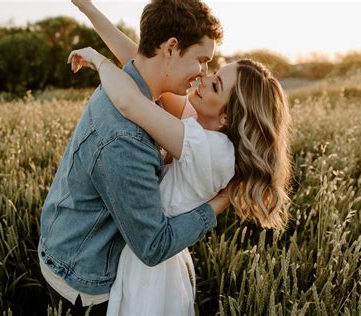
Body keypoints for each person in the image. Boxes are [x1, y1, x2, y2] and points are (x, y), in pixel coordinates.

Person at [68, 2, 293, 315]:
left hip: (151, 265)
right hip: (156, 252)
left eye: (214, 83)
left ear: (227, 116)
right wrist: (89, 10)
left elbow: (130, 103)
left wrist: (95, 59)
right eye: (209, 68)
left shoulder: (208, 149)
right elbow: (139, 60)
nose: (202, 77)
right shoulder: (205, 131)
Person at [38, 1, 227, 315]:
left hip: (69, 240)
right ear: (170, 47)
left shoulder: (133, 86)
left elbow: (136, 57)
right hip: (85, 276)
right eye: (201, 59)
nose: (203, 73)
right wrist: (226, 199)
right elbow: (153, 246)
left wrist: (92, 22)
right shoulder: (127, 138)